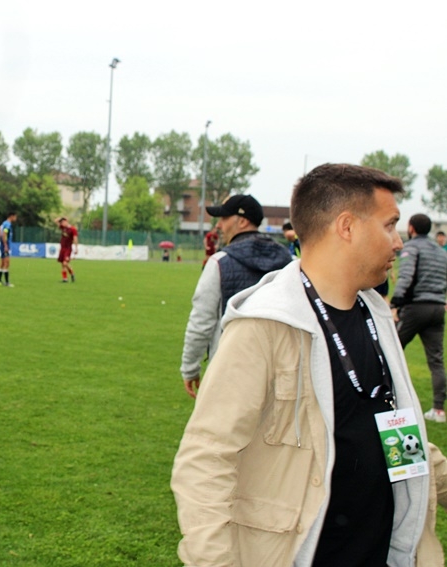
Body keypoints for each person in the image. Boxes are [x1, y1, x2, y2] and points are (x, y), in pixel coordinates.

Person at [171, 163, 447, 566]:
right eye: (389, 225)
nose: (398, 243)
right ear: (347, 227)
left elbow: (392, 428)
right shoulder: (263, 326)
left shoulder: (376, 315)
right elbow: (205, 459)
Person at [179, 194, 291, 398]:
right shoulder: (289, 262)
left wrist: (190, 368)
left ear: (242, 221)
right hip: (278, 374)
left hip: (229, 372)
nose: (219, 225)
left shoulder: (219, 262)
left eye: (224, 218)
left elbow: (201, 322)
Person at [390, 213, 447, 423]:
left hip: (415, 308)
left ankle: (389, 402)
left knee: (391, 351)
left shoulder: (412, 247)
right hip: (437, 308)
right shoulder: (440, 251)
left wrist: (395, 303)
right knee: (436, 361)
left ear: (411, 228)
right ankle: (438, 410)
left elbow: (406, 277)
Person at [0, 212, 17, 287]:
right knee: (7, 263)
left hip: (2, 245)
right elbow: (4, 234)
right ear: (11, 216)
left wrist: (0, 239)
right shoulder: (8, 224)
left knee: (2, 263)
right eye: (15, 217)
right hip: (5, 245)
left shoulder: (3, 223)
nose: (16, 218)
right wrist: (5, 245)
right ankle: (7, 282)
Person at [57, 217, 78, 283]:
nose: (61, 223)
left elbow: (75, 238)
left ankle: (72, 273)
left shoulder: (73, 229)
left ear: (66, 221)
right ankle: (65, 278)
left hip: (68, 248)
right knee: (63, 264)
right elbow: (56, 221)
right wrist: (61, 218)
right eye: (61, 222)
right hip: (62, 248)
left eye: (63, 222)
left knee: (65, 263)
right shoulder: (63, 228)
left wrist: (76, 248)